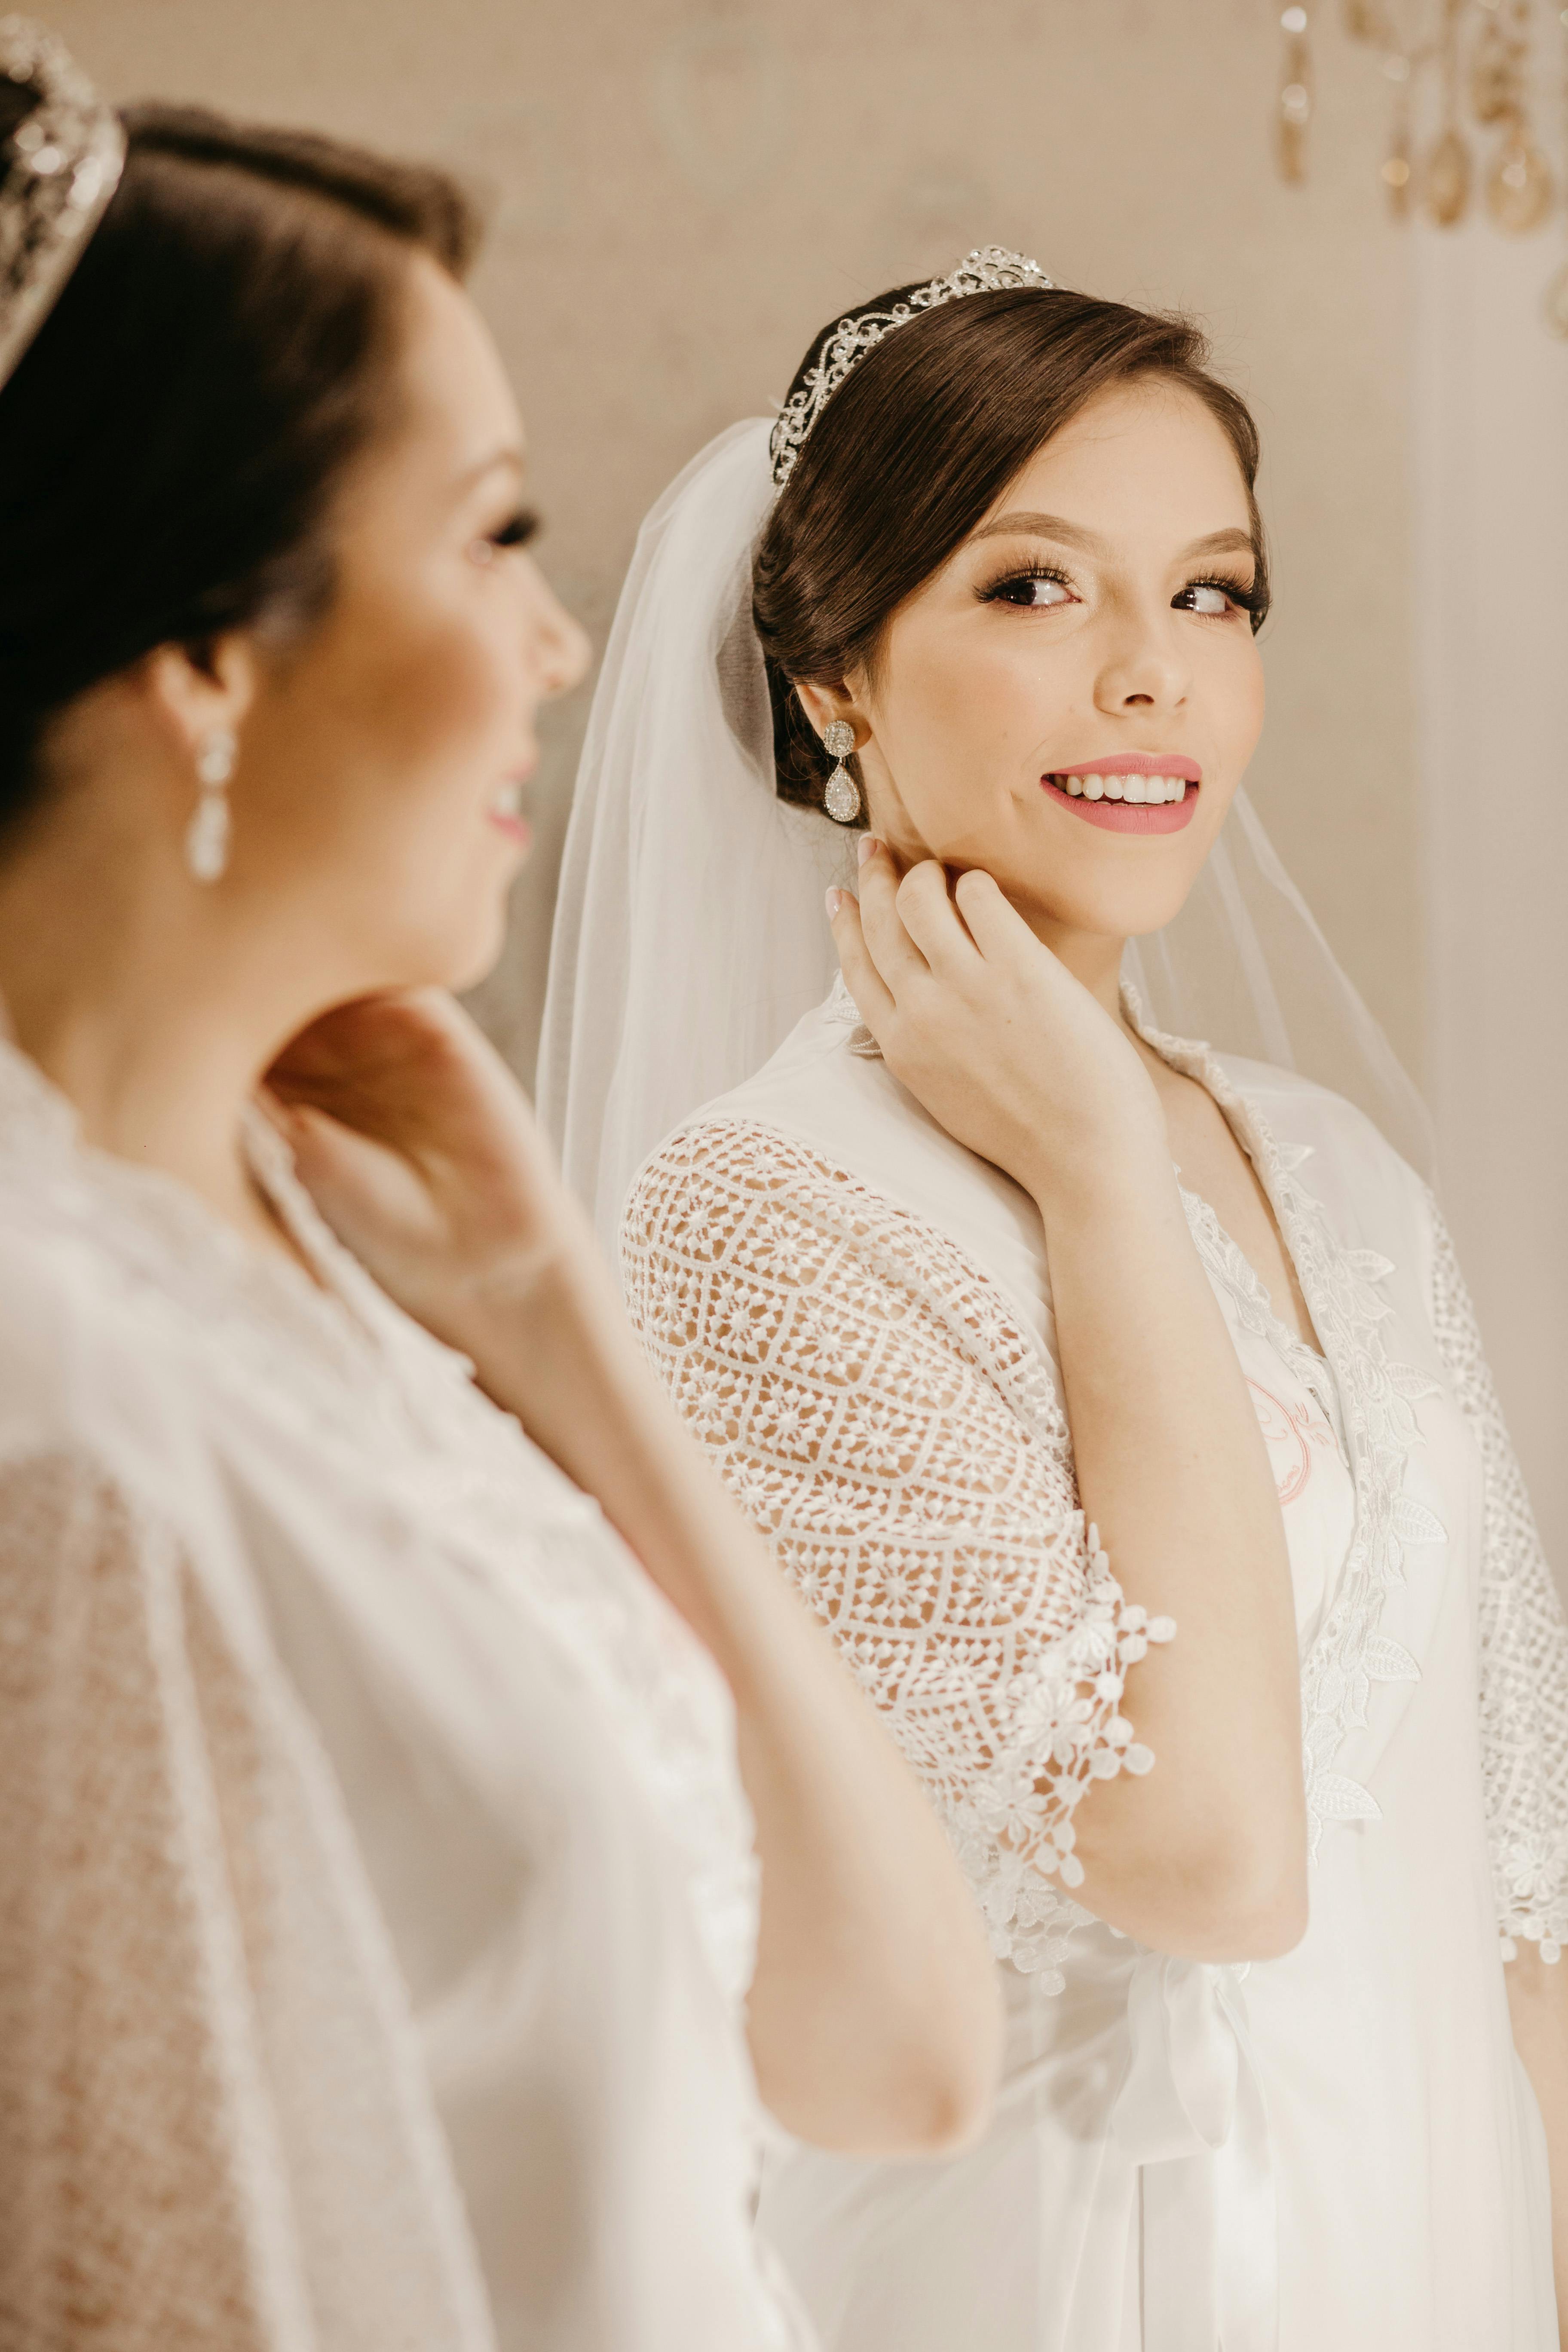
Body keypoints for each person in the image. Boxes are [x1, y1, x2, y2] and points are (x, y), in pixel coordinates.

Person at [0, 31, 1004, 2349]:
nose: (564, 649)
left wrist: (552, 1325)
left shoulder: (323, 1284)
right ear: (204, 658)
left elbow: (898, 2058)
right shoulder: (57, 1416)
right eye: (492, 534)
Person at [540, 248, 1568, 2348]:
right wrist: (1095, 1169)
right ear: (837, 680)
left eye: (1211, 594)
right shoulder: (758, 1215)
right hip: (1071, 2271)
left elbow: (1525, 1867)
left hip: (1435, 2240)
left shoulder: (1335, 1169)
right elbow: (1207, 1858)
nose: (1152, 677)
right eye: (1033, 586)